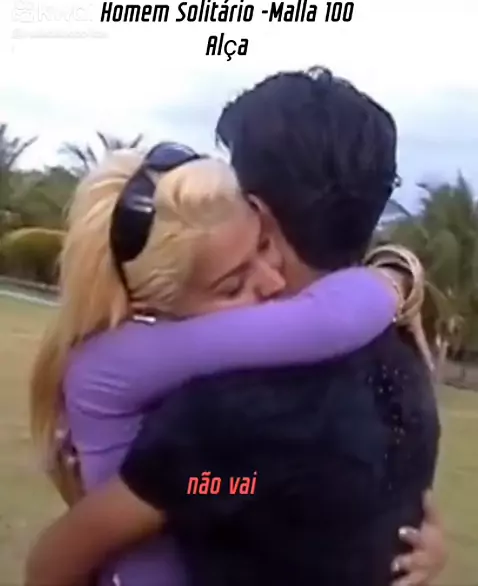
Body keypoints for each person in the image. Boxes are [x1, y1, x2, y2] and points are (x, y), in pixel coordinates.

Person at [26, 69, 444, 586]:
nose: (265, 282)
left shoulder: (226, 410)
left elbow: (59, 558)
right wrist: (396, 275)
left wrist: (191, 485)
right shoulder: (404, 362)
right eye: (232, 283)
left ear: (258, 212)